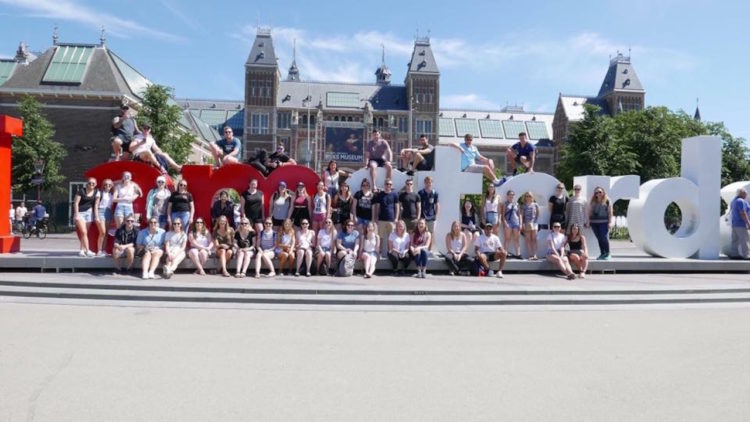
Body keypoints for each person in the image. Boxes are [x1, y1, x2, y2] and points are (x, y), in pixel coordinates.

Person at [73, 178, 100, 257]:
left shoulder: (97, 192)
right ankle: (88, 250)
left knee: (84, 233)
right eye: (89, 183)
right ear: (87, 183)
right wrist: (76, 214)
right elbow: (76, 203)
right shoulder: (81, 191)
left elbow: (96, 205)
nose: (91, 184)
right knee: (84, 232)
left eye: (93, 183)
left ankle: (81, 250)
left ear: (96, 184)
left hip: (89, 213)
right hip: (80, 213)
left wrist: (96, 216)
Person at [373, 178, 400, 255]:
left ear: (391, 185)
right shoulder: (380, 195)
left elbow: (397, 207)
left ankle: (390, 252)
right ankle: (379, 252)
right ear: (384, 185)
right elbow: (377, 206)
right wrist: (376, 217)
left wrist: (396, 218)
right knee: (380, 237)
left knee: (391, 237)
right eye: (387, 184)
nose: (388, 185)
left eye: (390, 184)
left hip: (391, 219)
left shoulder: (395, 194)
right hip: (381, 219)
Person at [588, 186, 613, 260]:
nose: (598, 193)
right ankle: (602, 253)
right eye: (596, 192)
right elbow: (589, 212)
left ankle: (608, 253)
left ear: (603, 192)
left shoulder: (607, 200)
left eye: (600, 192)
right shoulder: (592, 201)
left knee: (604, 238)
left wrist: (610, 222)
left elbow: (610, 212)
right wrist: (588, 221)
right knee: (599, 238)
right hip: (594, 223)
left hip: (604, 222)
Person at [93, 180, 114, 256]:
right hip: (100, 211)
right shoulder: (100, 193)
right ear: (103, 185)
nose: (108, 186)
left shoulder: (112, 195)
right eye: (106, 184)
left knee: (106, 234)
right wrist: (96, 216)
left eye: (110, 185)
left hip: (108, 212)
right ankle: (99, 250)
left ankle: (104, 250)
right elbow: (96, 205)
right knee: (102, 232)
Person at [729, 188, 750, 259]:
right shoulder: (741, 201)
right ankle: (746, 255)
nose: (746, 194)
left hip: (734, 223)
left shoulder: (733, 201)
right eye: (745, 193)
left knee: (735, 240)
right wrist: (748, 222)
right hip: (741, 224)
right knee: (745, 239)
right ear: (741, 193)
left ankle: (734, 254)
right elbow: (743, 213)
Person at [501, 190, 521, 259]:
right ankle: (505, 254)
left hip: (516, 222)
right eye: (510, 194)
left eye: (512, 195)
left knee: (516, 239)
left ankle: (518, 254)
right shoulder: (505, 204)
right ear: (507, 196)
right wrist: (505, 223)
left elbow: (519, 214)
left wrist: (520, 223)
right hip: (508, 223)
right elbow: (502, 215)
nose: (511, 196)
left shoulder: (516, 204)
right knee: (507, 239)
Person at [520, 191, 539, 260]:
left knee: (534, 239)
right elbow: (521, 215)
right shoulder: (523, 205)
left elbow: (537, 214)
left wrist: (535, 222)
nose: (528, 197)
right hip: (526, 223)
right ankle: (530, 255)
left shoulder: (535, 204)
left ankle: (535, 254)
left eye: (529, 196)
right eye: (526, 196)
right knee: (528, 239)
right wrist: (522, 224)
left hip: (534, 223)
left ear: (532, 197)